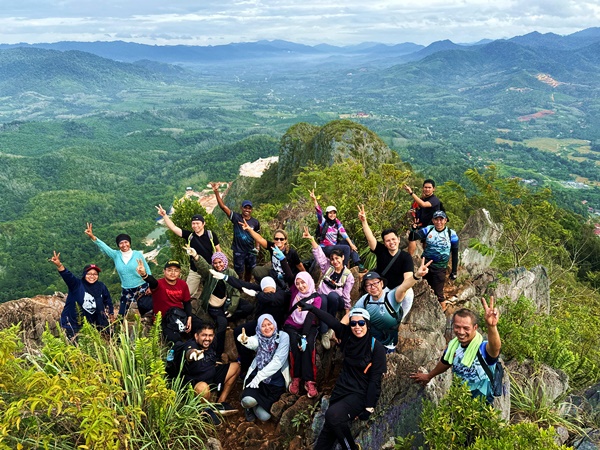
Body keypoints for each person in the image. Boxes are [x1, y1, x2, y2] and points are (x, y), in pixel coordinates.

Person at [296, 304, 386, 450]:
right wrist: (312, 309)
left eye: (361, 323)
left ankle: (351, 448)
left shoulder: (376, 348)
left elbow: (375, 380)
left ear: (367, 324)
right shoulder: (347, 335)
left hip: (359, 393)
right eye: (353, 323)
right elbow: (331, 320)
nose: (357, 326)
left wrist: (369, 407)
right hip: (341, 389)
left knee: (332, 416)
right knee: (329, 428)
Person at [410, 297, 501, 404]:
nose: (461, 332)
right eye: (457, 327)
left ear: (475, 327)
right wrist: (429, 376)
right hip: (458, 400)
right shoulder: (453, 346)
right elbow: (445, 362)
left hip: (481, 404)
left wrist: (492, 326)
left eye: (466, 328)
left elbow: (495, 348)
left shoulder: (483, 348)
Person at [212, 262, 292, 374]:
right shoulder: (260, 289)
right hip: (259, 324)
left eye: (270, 291)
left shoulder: (281, 294)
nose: (268, 294)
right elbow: (243, 284)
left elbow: (272, 299)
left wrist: (257, 295)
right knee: (238, 333)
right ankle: (245, 365)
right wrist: (225, 277)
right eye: (265, 292)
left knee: (256, 344)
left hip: (274, 326)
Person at [353, 258, 431, 352]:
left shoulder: (391, 297)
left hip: (387, 346)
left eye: (375, 283)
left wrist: (417, 276)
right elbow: (352, 314)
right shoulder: (365, 299)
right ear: (365, 288)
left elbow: (404, 287)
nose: (372, 287)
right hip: (368, 344)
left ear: (381, 283)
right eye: (368, 285)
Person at [193, 250, 253, 358]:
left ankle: (229, 316)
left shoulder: (231, 273)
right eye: (215, 263)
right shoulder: (210, 273)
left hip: (228, 301)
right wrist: (196, 256)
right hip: (214, 305)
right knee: (222, 324)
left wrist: (231, 309)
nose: (218, 265)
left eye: (220, 262)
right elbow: (203, 267)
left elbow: (235, 292)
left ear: (224, 261)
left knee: (248, 307)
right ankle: (218, 353)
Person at [84, 222, 153, 317]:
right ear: (118, 245)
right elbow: (104, 247)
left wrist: (151, 285)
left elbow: (147, 270)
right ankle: (120, 330)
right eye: (121, 243)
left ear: (129, 243)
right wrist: (92, 237)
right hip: (126, 289)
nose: (124, 245)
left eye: (126, 242)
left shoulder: (138, 254)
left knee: (146, 311)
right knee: (122, 314)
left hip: (142, 287)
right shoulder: (116, 255)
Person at [303, 226, 354, 350]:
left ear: (343, 258)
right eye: (332, 259)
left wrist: (347, 313)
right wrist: (311, 239)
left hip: (337, 300)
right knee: (323, 299)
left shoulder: (348, 275)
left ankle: (327, 327)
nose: (335, 261)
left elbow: (346, 294)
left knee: (332, 296)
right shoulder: (328, 268)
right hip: (324, 297)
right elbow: (319, 255)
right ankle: (325, 332)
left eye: (337, 258)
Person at [155, 204, 221, 300]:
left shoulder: (211, 235)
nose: (195, 225)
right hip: (195, 270)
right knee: (187, 293)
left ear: (203, 224)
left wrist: (218, 265)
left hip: (210, 268)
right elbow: (173, 228)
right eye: (193, 223)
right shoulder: (189, 236)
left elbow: (218, 250)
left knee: (214, 292)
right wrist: (164, 215)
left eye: (198, 223)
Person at [135, 259, 203, 344]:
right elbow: (152, 282)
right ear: (164, 271)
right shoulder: (159, 284)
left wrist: (189, 317)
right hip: (164, 319)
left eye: (176, 270)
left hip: (179, 315)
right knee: (175, 339)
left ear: (179, 272)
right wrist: (144, 275)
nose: (173, 273)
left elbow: (187, 303)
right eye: (169, 270)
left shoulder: (182, 284)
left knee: (201, 327)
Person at [237, 314, 290, 422]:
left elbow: (277, 361)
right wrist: (244, 340)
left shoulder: (283, 336)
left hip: (275, 384)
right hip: (257, 382)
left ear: (274, 324)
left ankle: (255, 405)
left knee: (264, 417)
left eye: (269, 324)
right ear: (259, 328)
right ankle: (248, 407)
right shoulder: (259, 337)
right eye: (263, 325)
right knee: (247, 401)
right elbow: (253, 342)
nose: (267, 328)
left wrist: (259, 377)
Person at [49, 251, 114, 339]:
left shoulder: (101, 286)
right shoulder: (76, 285)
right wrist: (59, 265)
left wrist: (111, 314)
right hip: (74, 324)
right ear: (84, 274)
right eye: (89, 274)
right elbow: (67, 275)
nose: (92, 276)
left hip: (96, 323)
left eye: (95, 274)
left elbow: (108, 301)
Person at [182, 323, 240, 410]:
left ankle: (220, 402)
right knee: (202, 388)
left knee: (236, 367)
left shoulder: (211, 343)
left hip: (211, 376)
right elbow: (189, 352)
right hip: (197, 383)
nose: (207, 338)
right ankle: (205, 410)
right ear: (196, 336)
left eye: (210, 335)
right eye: (204, 335)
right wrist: (193, 354)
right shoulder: (191, 345)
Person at [408, 210, 459, 310]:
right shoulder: (428, 230)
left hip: (440, 268)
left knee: (439, 294)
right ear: (433, 220)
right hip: (425, 265)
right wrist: (413, 229)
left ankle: (443, 315)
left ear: (445, 220)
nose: (439, 222)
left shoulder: (451, 234)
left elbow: (455, 253)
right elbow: (413, 237)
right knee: (422, 288)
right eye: (436, 219)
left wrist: (454, 271)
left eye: (441, 219)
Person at [211, 182, 260, 281]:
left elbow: (257, 235)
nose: (247, 210)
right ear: (241, 208)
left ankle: (247, 285)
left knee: (250, 270)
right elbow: (223, 207)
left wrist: (257, 247)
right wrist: (216, 192)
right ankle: (238, 287)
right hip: (238, 251)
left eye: (249, 208)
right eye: (245, 207)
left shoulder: (255, 222)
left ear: (251, 210)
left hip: (251, 251)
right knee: (239, 272)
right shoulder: (236, 217)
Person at [283, 272, 322, 398]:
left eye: (303, 282)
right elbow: (289, 275)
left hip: (309, 326)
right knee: (293, 344)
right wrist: (282, 258)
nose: (300, 286)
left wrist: (304, 336)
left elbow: (311, 316)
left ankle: (309, 380)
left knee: (309, 346)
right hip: (292, 324)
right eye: (298, 283)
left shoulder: (316, 298)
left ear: (309, 281)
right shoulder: (295, 291)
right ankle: (296, 377)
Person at [358, 204, 414, 289]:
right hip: (382, 288)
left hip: (399, 288)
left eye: (393, 239)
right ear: (384, 243)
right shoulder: (381, 250)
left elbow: (408, 278)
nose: (391, 242)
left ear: (398, 239)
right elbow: (370, 238)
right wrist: (364, 222)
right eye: (388, 240)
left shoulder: (405, 257)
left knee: (409, 293)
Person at [238, 221, 305, 285]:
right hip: (275, 274)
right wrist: (249, 229)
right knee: (257, 270)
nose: (279, 241)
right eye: (276, 239)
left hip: (288, 277)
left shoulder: (291, 252)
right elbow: (260, 239)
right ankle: (263, 286)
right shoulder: (272, 246)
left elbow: (299, 265)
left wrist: (306, 276)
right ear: (274, 240)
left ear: (285, 240)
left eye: (281, 239)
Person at [309, 189, 361, 269]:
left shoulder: (337, 222)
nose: (332, 215)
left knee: (351, 243)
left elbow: (344, 234)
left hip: (335, 245)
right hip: (325, 247)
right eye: (330, 213)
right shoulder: (323, 222)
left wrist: (351, 244)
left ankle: (358, 264)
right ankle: (343, 268)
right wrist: (315, 200)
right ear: (327, 214)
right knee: (346, 248)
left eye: (334, 213)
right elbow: (319, 212)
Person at [404, 179, 441, 256]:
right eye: (425, 187)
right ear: (423, 188)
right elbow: (415, 209)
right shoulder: (422, 199)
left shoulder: (434, 200)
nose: (427, 189)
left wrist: (411, 193)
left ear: (433, 189)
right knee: (413, 236)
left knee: (426, 244)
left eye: (429, 187)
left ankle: (426, 261)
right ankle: (409, 258)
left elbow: (423, 204)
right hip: (422, 225)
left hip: (432, 227)